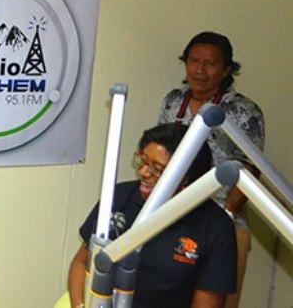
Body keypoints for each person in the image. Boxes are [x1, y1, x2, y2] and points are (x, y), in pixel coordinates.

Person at [68, 123, 236, 308]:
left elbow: (207, 302)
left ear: (186, 180)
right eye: (143, 160)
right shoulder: (119, 197)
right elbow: (82, 262)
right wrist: (80, 305)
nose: (143, 172)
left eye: (156, 169)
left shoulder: (215, 227)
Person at [158, 31, 264, 308]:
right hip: (173, 217)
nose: (200, 70)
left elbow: (250, 170)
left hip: (223, 220)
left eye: (210, 63)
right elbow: (159, 155)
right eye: (194, 61)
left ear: (227, 69)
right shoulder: (172, 101)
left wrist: (227, 215)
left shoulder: (243, 110)